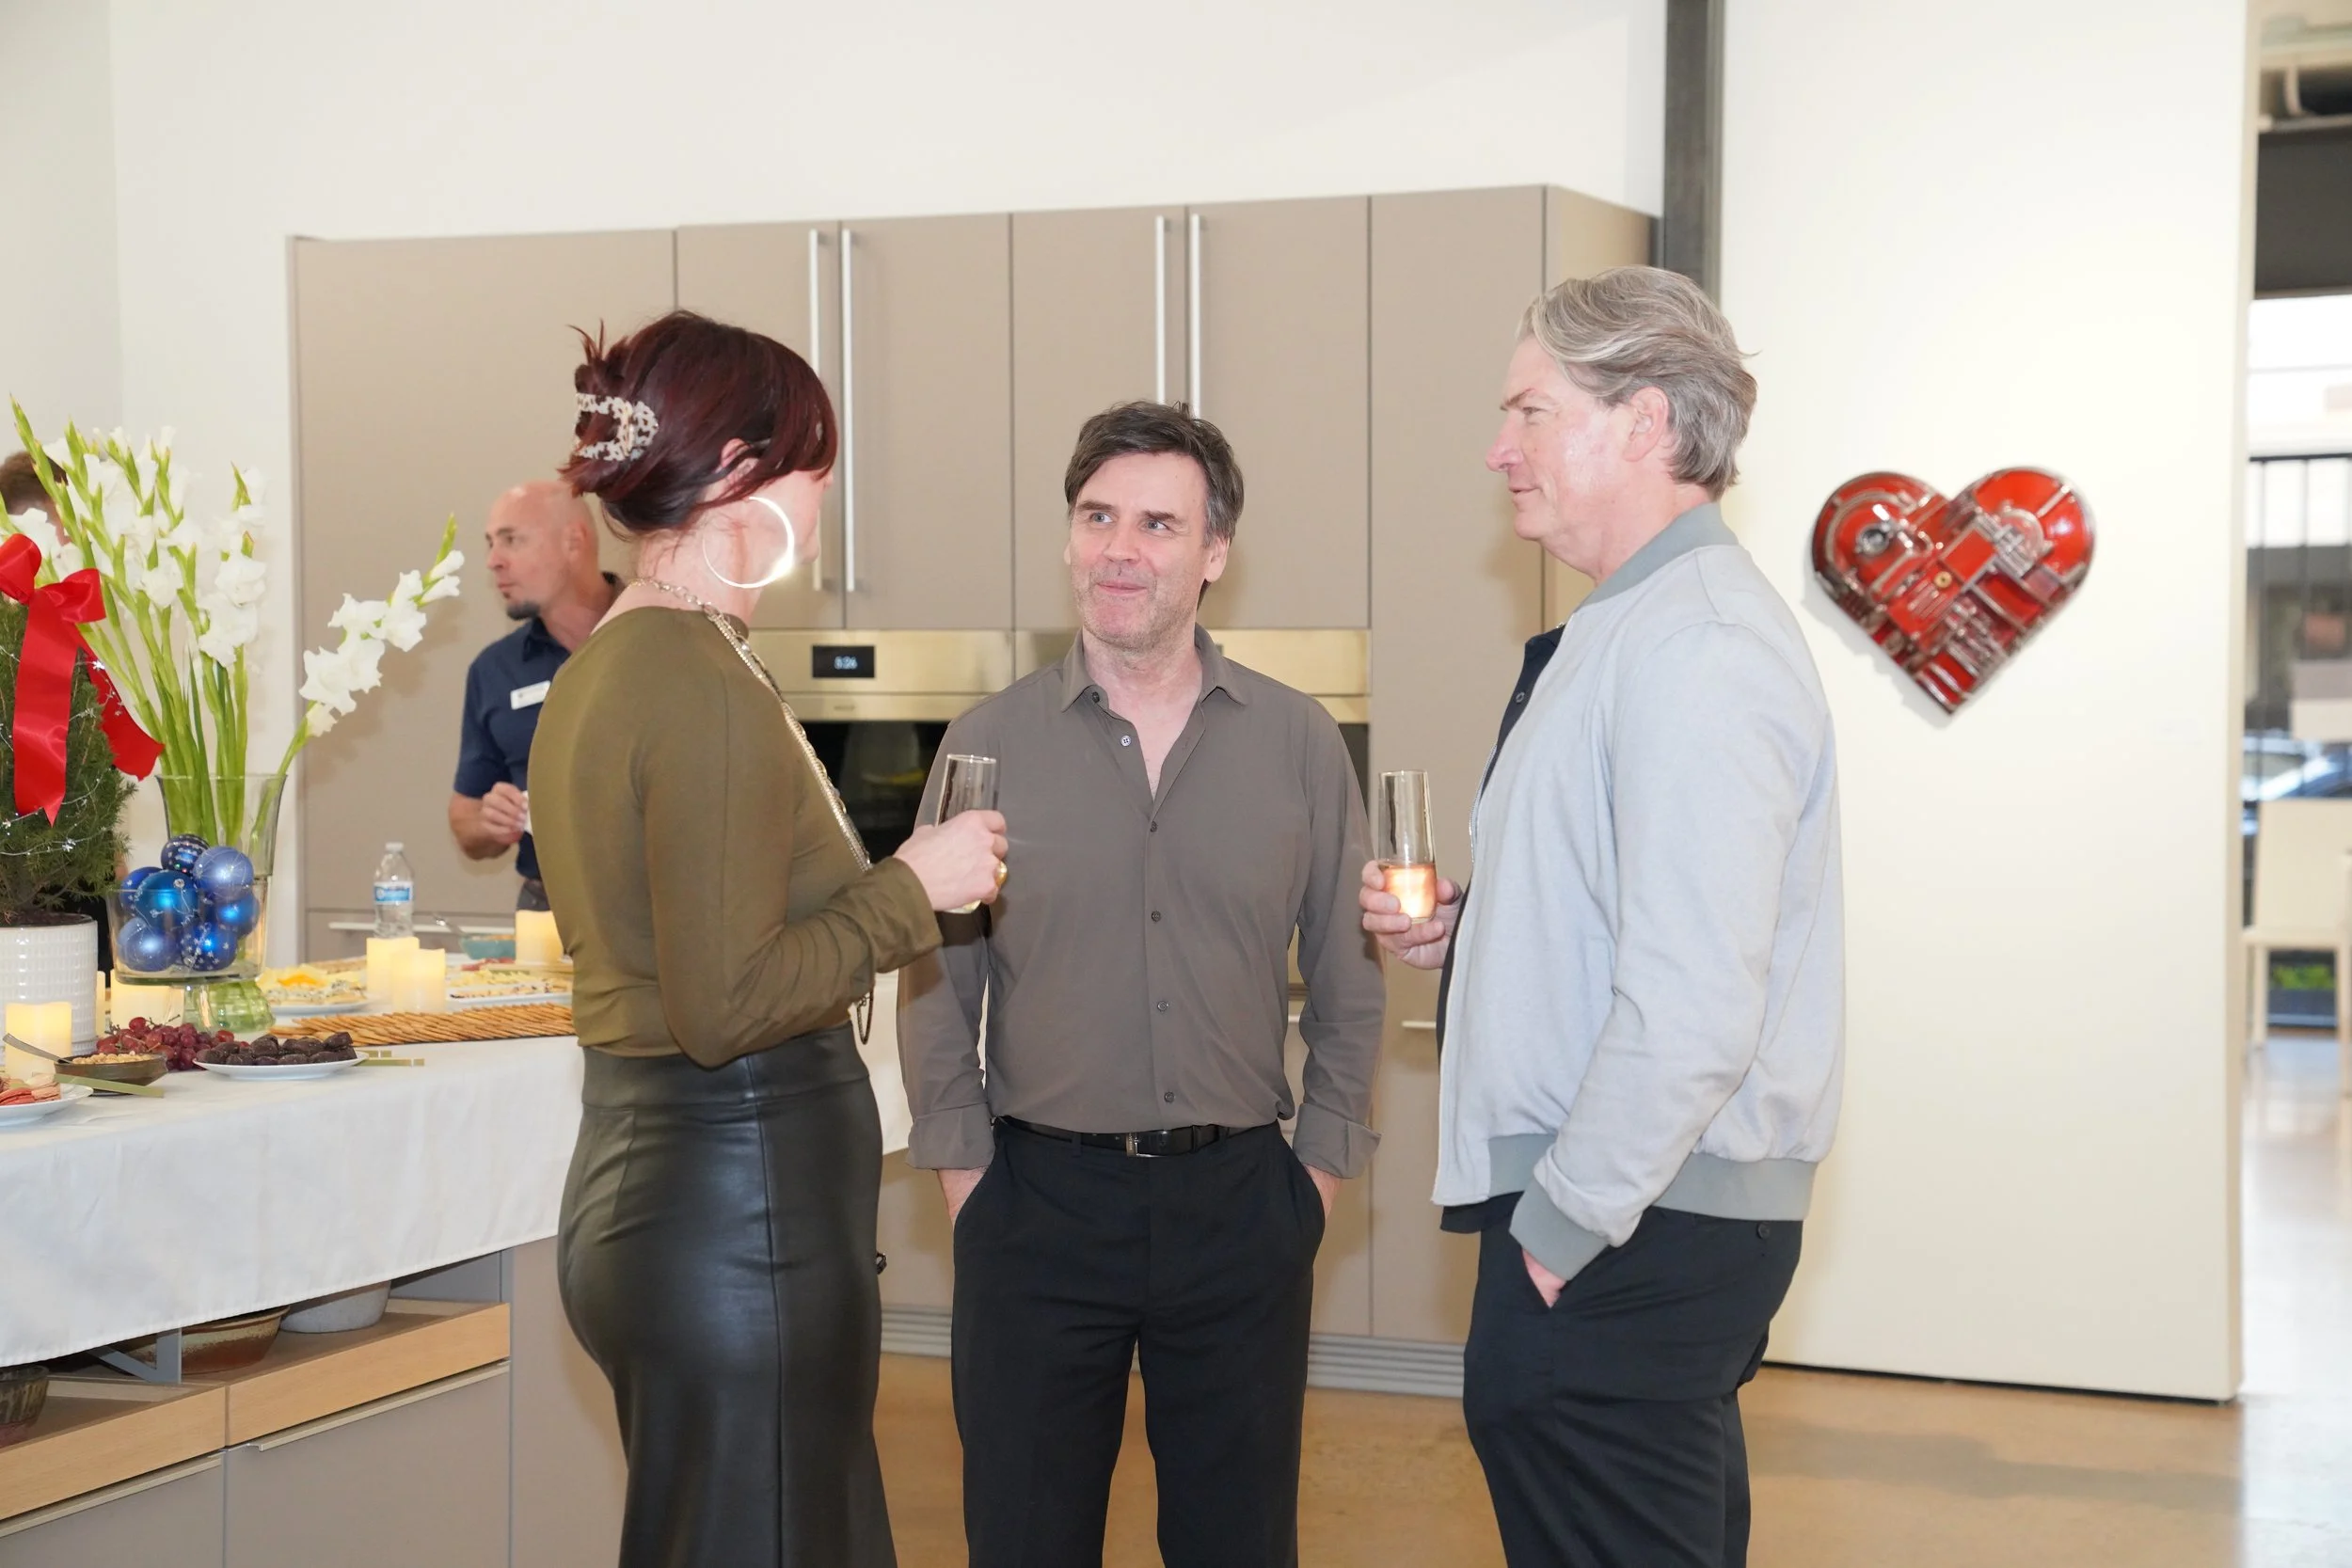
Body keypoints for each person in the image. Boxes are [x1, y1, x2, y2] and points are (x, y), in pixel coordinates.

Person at [1361, 267, 1844, 1568]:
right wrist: (1476, 936)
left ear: (1644, 421)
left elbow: (1692, 1000)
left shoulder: (1695, 648)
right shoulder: (1630, 630)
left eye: (1529, 410)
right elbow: (1634, 923)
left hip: (1628, 1216)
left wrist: (1564, 1226)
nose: (1494, 447)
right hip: (1635, 1207)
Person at [529, 310, 1008, 1568]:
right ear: (743, 471)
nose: (826, 499)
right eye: (815, 466)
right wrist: (918, 885)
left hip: (663, 1191)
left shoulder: (609, 662)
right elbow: (727, 1001)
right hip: (738, 1209)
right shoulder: (694, 677)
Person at [898, 401, 1386, 1568]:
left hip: (1240, 1207)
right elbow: (935, 977)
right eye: (1096, 515)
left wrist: (1314, 1172)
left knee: (1236, 1542)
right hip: (1033, 1206)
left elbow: (1348, 972)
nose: (1120, 547)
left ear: (1214, 554)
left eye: (1158, 523)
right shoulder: (986, 741)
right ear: (1069, 538)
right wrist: (969, 1176)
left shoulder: (1297, 742)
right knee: (1023, 1538)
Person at [448, 481, 617, 911]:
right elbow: (465, 821)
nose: (493, 562)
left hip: (657, 908)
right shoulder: (494, 670)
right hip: (546, 910)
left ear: (574, 541)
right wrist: (491, 821)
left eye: (512, 540)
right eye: (490, 543)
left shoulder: (661, 636)